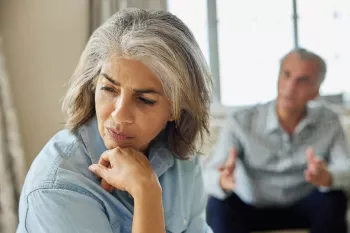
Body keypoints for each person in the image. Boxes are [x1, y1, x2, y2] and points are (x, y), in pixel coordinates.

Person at [17, 8, 213, 233]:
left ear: (176, 109)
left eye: (144, 100)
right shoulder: (58, 187)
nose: (119, 114)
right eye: (109, 89)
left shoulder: (182, 160)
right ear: (92, 85)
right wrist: (146, 192)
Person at [204, 48, 350, 233]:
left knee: (334, 198)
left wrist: (327, 177)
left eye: (303, 80)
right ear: (278, 78)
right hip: (251, 207)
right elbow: (208, 174)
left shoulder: (329, 121)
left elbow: (347, 168)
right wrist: (222, 180)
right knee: (218, 203)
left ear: (316, 92)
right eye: (286, 75)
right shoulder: (240, 121)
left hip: (304, 205)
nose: (290, 87)